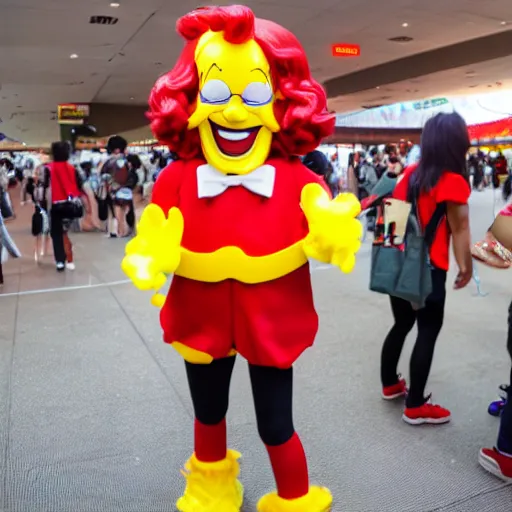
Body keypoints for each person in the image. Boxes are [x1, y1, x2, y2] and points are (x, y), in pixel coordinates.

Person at [121, 5, 361, 512]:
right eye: (214, 93)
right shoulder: (177, 178)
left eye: (252, 95)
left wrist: (332, 235)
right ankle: (212, 490)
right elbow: (151, 237)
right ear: (189, 100)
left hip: (270, 322)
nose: (232, 112)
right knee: (208, 413)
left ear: (282, 102)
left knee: (276, 422)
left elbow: (329, 227)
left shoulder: (299, 181)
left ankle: (295, 498)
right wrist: (150, 255)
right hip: (200, 316)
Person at [380, 112, 473, 425]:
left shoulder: (409, 174)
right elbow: (460, 229)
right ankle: (416, 404)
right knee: (428, 331)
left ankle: (391, 384)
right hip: (429, 269)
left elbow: (392, 221)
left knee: (401, 324)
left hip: (397, 264)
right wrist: (465, 267)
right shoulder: (453, 181)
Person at [48, 142, 82, 272]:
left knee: (56, 234)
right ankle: (70, 259)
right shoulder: (72, 168)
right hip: (70, 205)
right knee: (66, 233)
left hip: (55, 205)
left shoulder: (48, 168)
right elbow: (79, 185)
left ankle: (60, 261)